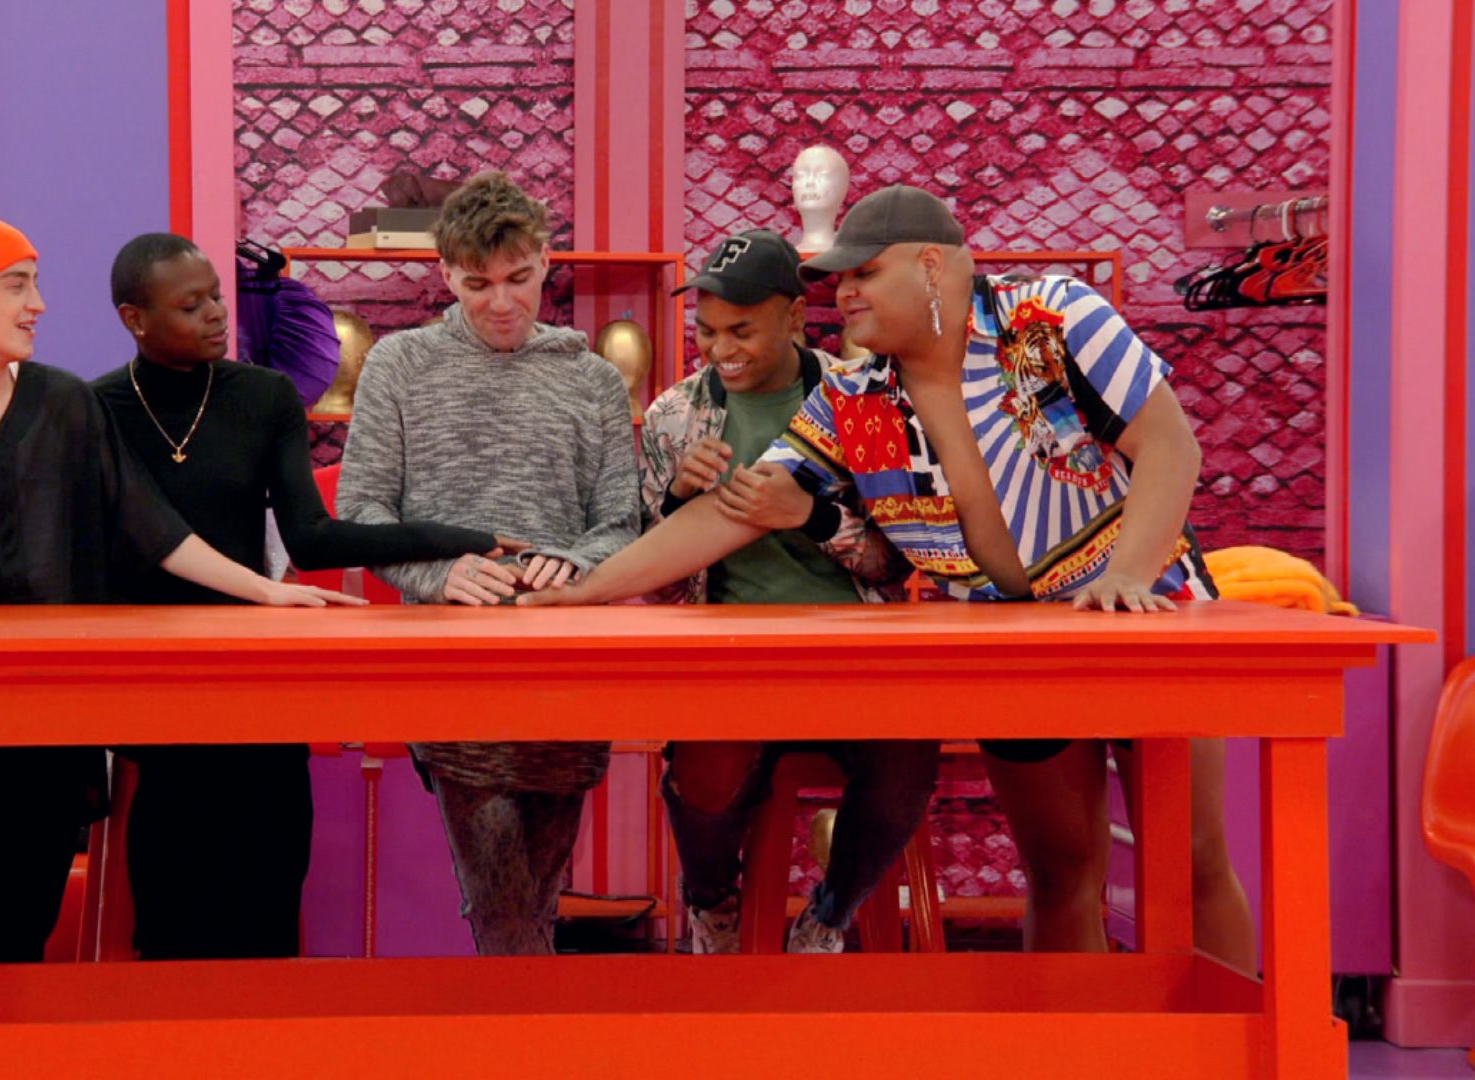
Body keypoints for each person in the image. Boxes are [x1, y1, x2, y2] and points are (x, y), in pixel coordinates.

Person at [527, 185, 1254, 968]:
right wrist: (586, 587)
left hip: (1144, 615)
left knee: (1190, 859)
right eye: (840, 278)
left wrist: (1129, 575)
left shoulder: (1051, 314)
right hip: (1013, 644)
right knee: (1060, 870)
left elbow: (1171, 447)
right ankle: (1080, 1037)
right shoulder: (854, 395)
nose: (844, 292)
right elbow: (726, 516)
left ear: (932, 265)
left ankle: (1241, 1035)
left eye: (864, 273)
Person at [0, 201, 359, 965]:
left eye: (35, 283)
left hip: (53, 710)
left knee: (30, 923)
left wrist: (266, 589)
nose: (37, 304)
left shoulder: (64, 404)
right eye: (16, 285)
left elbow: (150, 525)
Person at [91, 232, 517, 959]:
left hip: (256, 673)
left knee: (268, 887)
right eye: (191, 306)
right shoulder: (94, 409)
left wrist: (455, 538)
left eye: (216, 296)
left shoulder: (264, 397)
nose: (217, 314)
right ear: (135, 318)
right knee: (170, 908)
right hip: (159, 683)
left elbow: (312, 538)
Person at [335, 170, 640, 955]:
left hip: (568, 670)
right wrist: (439, 573)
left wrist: (574, 565)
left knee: (532, 902)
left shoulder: (594, 380)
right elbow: (361, 512)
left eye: (518, 278)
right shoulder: (400, 366)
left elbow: (621, 526)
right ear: (445, 274)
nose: (501, 302)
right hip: (451, 665)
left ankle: (518, 1019)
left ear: (546, 263)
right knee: (503, 903)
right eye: (477, 284)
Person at [641, 228, 934, 954]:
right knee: (704, 772)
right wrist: (678, 504)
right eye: (707, 331)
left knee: (907, 758)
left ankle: (827, 918)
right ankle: (713, 905)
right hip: (725, 658)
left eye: (741, 331)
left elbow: (894, 567)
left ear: (796, 318)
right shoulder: (674, 416)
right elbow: (657, 591)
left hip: (851, 655)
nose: (720, 350)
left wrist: (812, 516)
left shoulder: (861, 399)